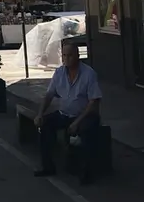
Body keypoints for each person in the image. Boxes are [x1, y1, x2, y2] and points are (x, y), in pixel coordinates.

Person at [34, 43, 103, 184]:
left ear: (77, 55)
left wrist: (77, 122)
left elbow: (94, 102)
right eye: (64, 55)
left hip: (85, 115)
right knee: (45, 125)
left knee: (86, 132)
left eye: (70, 55)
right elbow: (49, 95)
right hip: (64, 114)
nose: (67, 59)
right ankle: (48, 166)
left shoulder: (88, 74)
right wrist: (40, 114)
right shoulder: (59, 73)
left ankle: (86, 173)